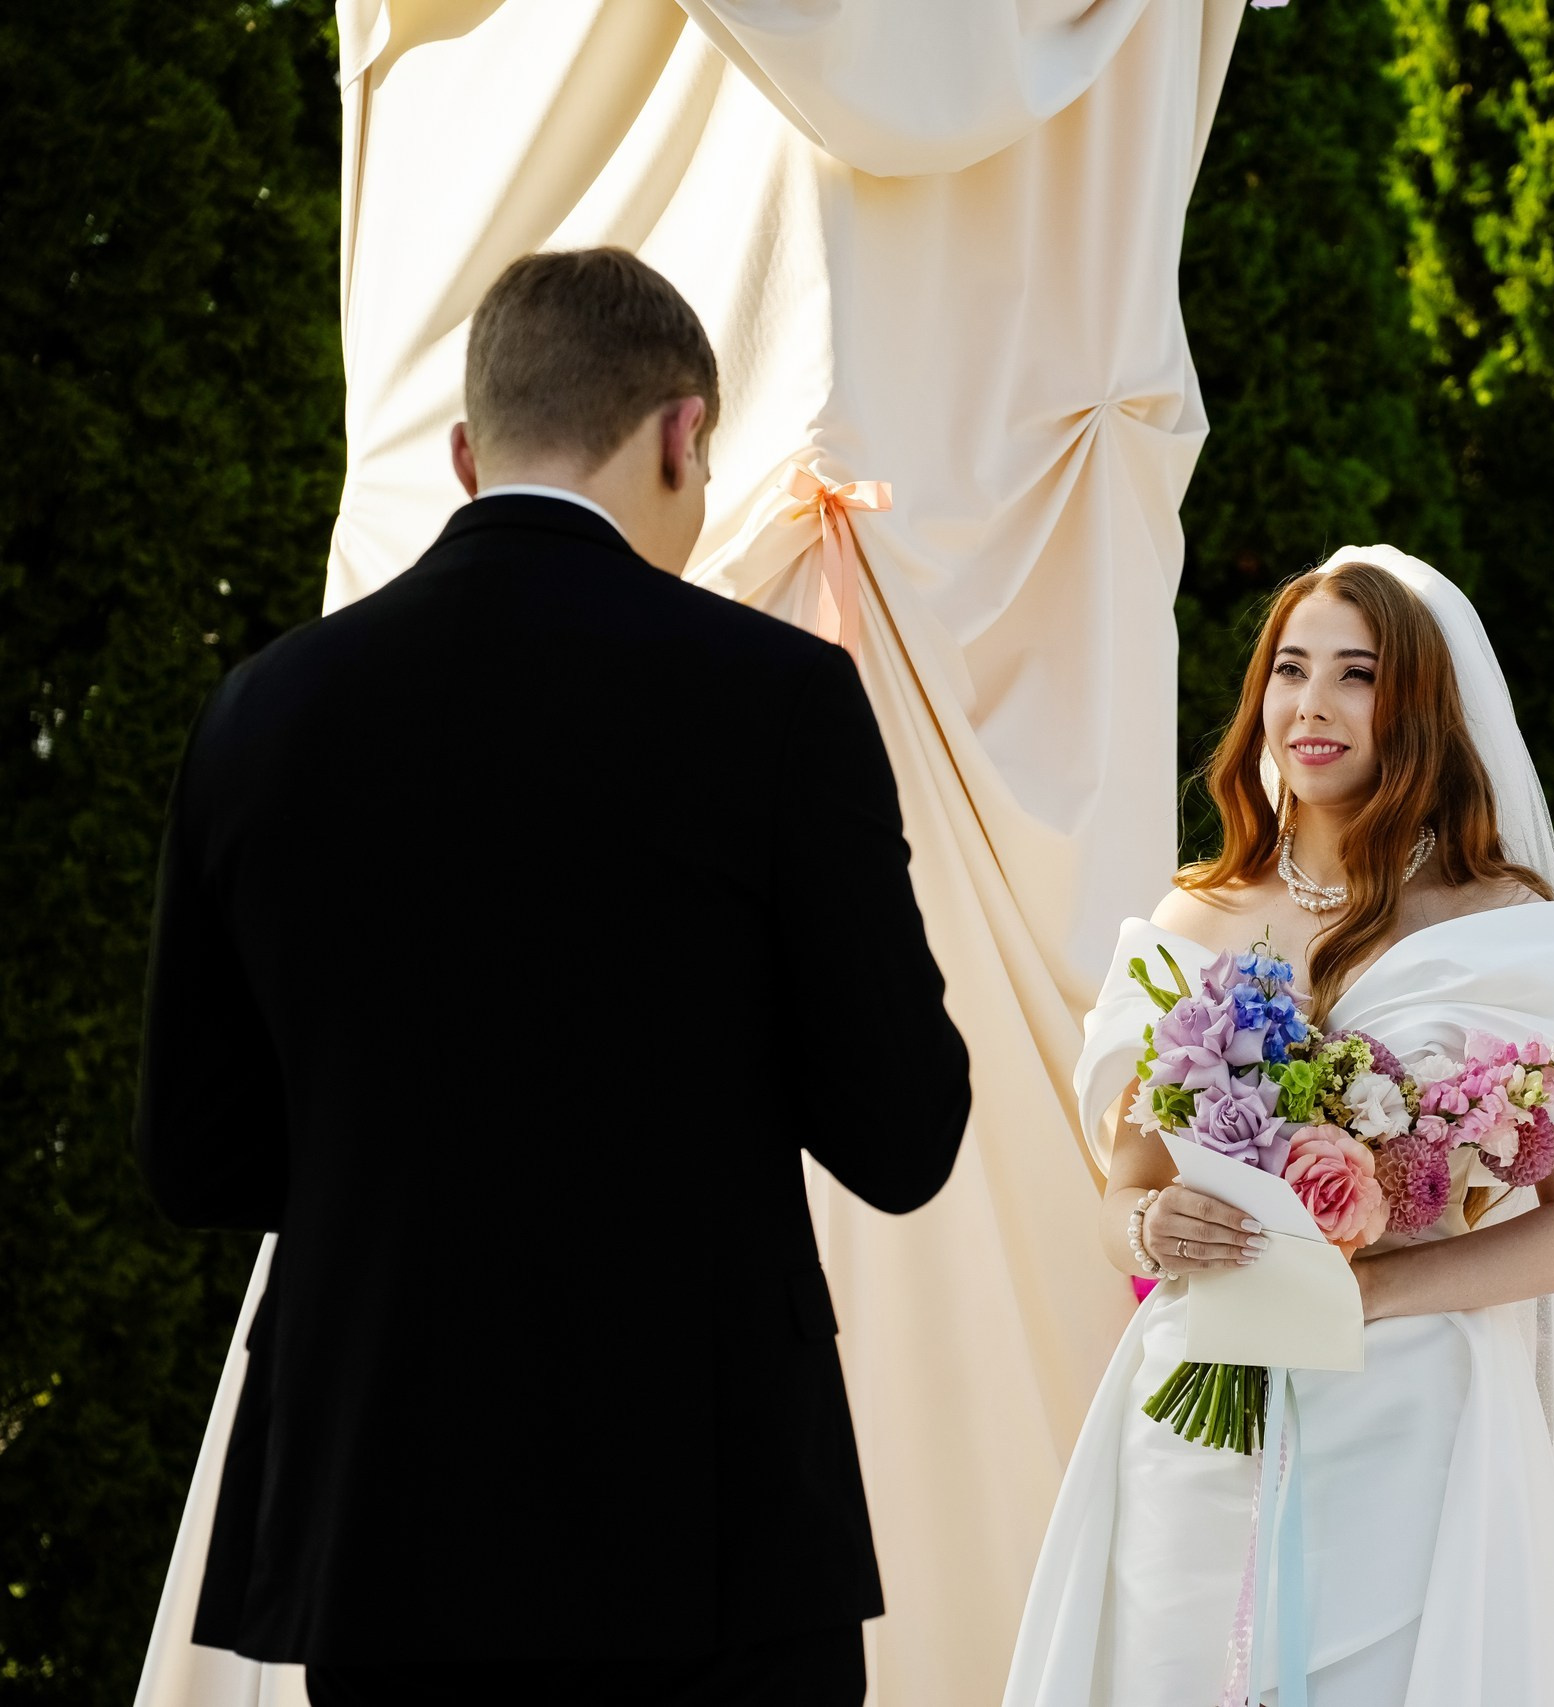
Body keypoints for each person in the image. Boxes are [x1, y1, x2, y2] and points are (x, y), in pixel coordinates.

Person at [133, 247, 967, 1707]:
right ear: (681, 432)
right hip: (704, 1503)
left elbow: (195, 1155)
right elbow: (902, 1135)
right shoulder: (773, 701)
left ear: (466, 451)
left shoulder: (261, 711)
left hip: (382, 1504)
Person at [1005, 548, 1554, 1706]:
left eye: (1355, 674)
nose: (1311, 706)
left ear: (1418, 704)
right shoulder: (1192, 918)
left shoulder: (1513, 936)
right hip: (1195, 1411)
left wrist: (1372, 1293)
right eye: (1290, 669)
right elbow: (1119, 1205)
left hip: (1414, 1417)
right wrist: (1160, 1227)